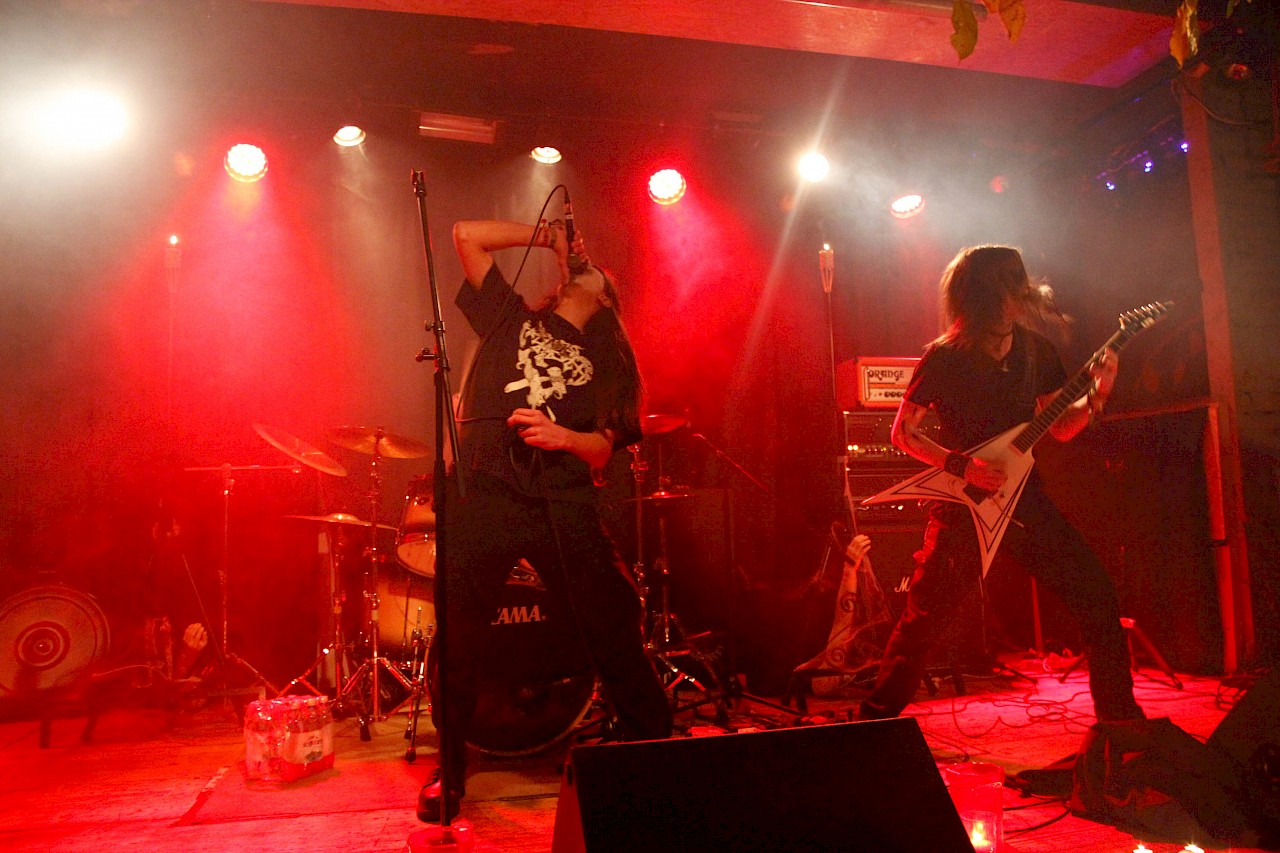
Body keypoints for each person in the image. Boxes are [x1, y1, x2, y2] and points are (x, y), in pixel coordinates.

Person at [418, 214, 672, 822]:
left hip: (561, 497)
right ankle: (450, 772)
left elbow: (604, 449)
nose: (581, 268)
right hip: (485, 494)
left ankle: (657, 753)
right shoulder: (509, 317)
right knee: (460, 638)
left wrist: (564, 437)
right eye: (575, 265)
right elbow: (466, 234)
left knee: (612, 620)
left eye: (593, 271)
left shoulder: (607, 359)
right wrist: (547, 238)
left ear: (605, 299)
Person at [859, 245, 1145, 725]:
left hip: (1025, 500)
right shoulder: (944, 357)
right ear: (986, 294)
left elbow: (1060, 427)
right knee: (923, 621)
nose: (1023, 292)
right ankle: (873, 724)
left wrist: (1099, 394)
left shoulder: (1036, 351)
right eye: (1012, 282)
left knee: (1095, 593)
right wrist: (961, 466)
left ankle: (1122, 722)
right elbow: (902, 434)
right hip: (965, 506)